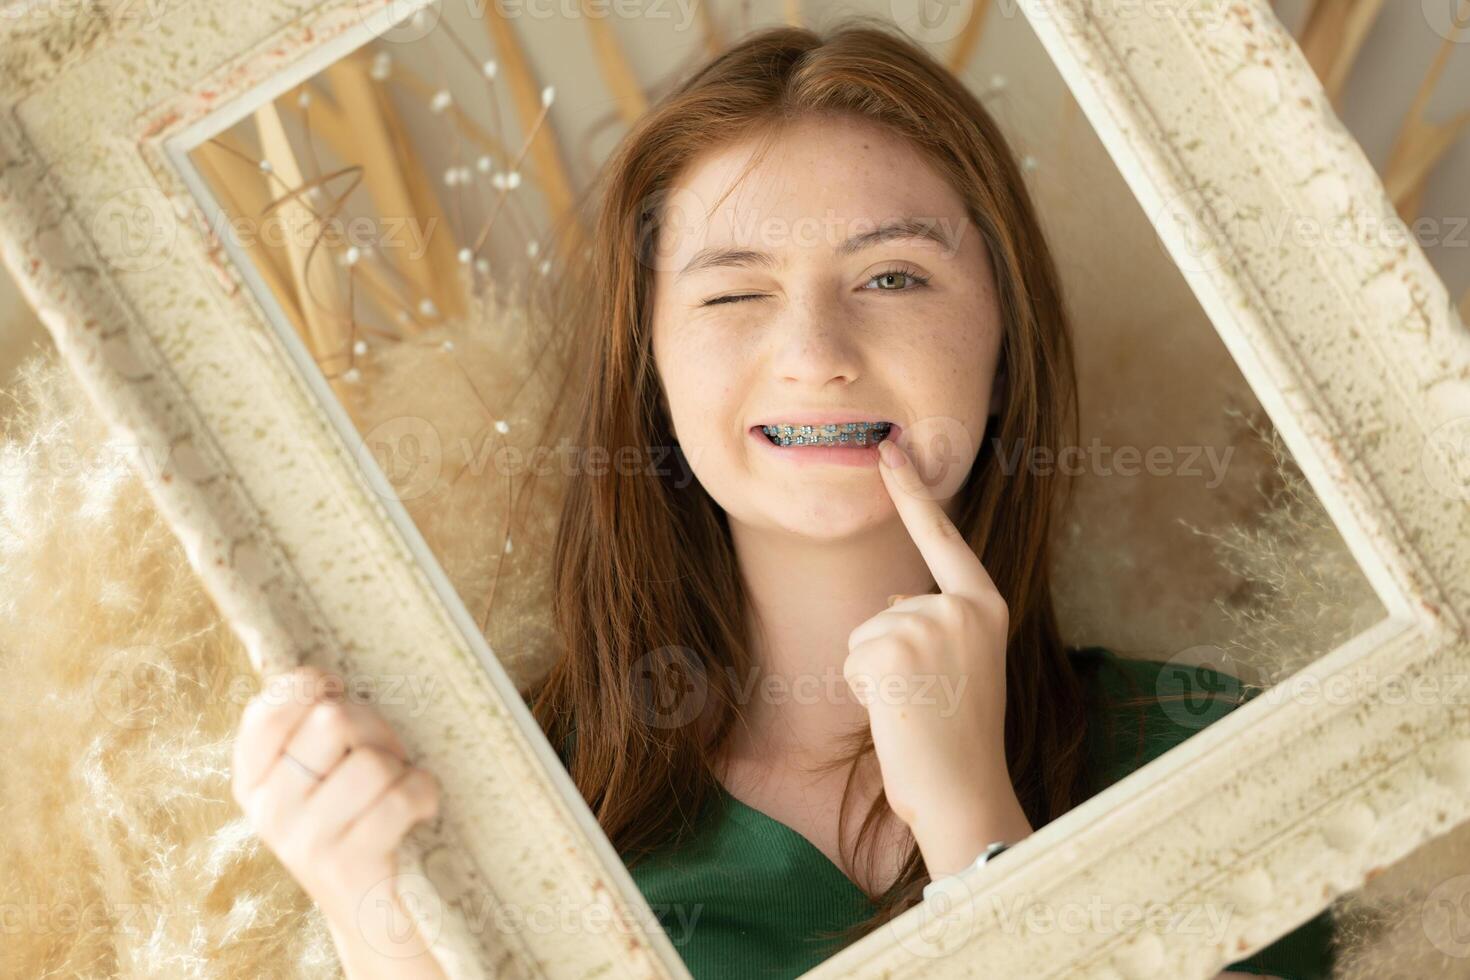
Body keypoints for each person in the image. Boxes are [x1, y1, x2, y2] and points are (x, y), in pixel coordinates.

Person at [231, 18, 1334, 980]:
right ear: (648, 368)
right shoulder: (496, 790)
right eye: (736, 290)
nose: (815, 353)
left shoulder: (1201, 737)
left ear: (1006, 336)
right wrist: (378, 918)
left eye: (893, 276)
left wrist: (975, 829)